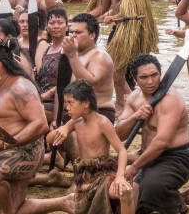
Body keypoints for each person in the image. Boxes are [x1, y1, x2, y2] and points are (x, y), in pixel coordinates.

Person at [0, 40, 73, 213]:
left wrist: (5, 145)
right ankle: (64, 203)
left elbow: (40, 124)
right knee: (15, 207)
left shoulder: (21, 88)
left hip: (25, 152)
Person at [116, 54, 189, 214]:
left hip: (176, 157)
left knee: (152, 188)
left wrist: (135, 166)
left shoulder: (170, 99)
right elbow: (119, 134)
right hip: (148, 157)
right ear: (134, 78)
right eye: (144, 77)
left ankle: (180, 208)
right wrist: (135, 116)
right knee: (131, 204)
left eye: (154, 75)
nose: (150, 81)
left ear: (161, 73)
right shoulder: (134, 98)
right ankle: (186, 197)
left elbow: (161, 142)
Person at [85, 0, 158, 114]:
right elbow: (102, 8)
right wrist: (81, 18)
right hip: (118, 28)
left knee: (115, 69)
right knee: (117, 70)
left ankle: (122, 103)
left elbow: (134, 11)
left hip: (132, 30)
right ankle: (129, 99)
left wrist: (113, 17)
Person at [46, 80, 133, 213]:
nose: (67, 107)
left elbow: (121, 150)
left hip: (102, 174)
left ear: (86, 103)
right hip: (83, 176)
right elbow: (49, 139)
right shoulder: (75, 122)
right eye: (66, 103)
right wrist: (64, 128)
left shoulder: (102, 123)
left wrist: (120, 176)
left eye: (71, 103)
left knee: (125, 192)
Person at [62, 13, 116, 123]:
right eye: (71, 32)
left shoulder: (100, 56)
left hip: (97, 112)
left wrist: (72, 55)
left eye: (78, 32)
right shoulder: (73, 55)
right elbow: (61, 88)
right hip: (71, 113)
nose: (73, 36)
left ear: (92, 35)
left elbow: (89, 84)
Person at [35, 8, 68, 123]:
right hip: (42, 99)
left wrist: (47, 94)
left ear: (67, 27)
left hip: (60, 102)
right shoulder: (47, 49)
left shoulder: (69, 48)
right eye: (52, 23)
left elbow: (69, 80)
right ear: (47, 27)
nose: (56, 26)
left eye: (60, 23)